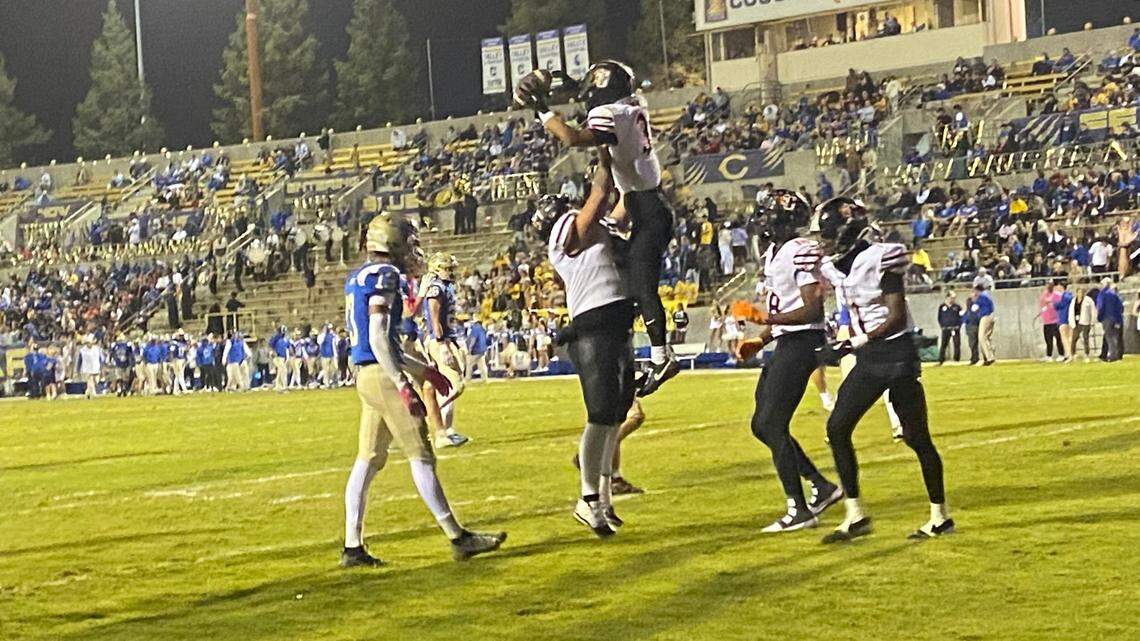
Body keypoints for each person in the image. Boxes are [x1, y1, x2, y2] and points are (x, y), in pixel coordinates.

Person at [340, 212, 505, 567]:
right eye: (409, 242)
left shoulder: (359, 276)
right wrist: (404, 382)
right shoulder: (386, 275)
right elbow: (379, 339)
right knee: (421, 456)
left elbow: (379, 345)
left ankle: (352, 546)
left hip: (367, 374)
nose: (414, 249)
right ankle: (458, 538)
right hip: (383, 375)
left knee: (368, 459)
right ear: (393, 243)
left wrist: (425, 371)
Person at [518, 61, 680, 396]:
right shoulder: (630, 108)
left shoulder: (612, 113)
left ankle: (662, 357)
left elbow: (572, 137)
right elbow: (615, 164)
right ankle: (642, 350)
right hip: (645, 206)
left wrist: (542, 109)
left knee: (640, 284)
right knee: (630, 281)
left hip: (648, 211)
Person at [816, 201, 953, 543]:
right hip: (869, 356)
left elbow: (894, 316)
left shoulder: (881, 257)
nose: (825, 243)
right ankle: (855, 514)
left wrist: (856, 340)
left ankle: (940, 516)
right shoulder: (837, 267)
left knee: (916, 437)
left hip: (895, 354)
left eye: (829, 236)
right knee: (837, 427)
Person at [534, 159, 635, 538]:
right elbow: (599, 200)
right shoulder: (565, 231)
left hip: (615, 322)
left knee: (614, 416)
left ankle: (604, 498)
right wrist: (607, 161)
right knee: (600, 414)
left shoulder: (593, 231)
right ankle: (587, 498)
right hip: (592, 327)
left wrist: (632, 173)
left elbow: (619, 208)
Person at [732, 191, 842, 533]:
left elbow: (812, 309)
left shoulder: (797, 249)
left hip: (803, 342)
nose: (762, 222)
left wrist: (766, 322)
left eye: (767, 215)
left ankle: (799, 507)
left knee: (772, 422)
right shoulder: (775, 253)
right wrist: (760, 339)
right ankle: (821, 486)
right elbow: (784, 309)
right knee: (761, 424)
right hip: (787, 341)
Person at [419, 252, 470, 449]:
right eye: (447, 269)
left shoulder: (445, 286)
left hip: (449, 338)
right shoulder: (436, 288)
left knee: (448, 384)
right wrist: (441, 343)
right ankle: (428, 417)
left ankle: (446, 430)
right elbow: (434, 317)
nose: (451, 272)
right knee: (455, 386)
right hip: (440, 341)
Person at [1097, 279, 1124, 362]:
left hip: (1106, 318)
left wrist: (1099, 317)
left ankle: (1113, 355)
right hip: (1115, 318)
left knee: (1110, 337)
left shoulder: (1103, 294)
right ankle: (1115, 354)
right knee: (1114, 337)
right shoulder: (1114, 295)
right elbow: (1120, 307)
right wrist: (1118, 320)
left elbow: (1101, 307)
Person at [1070, 287, 1096, 362]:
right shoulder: (1073, 301)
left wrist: (1092, 321)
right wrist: (1071, 322)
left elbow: (1093, 311)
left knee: (1085, 338)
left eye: (1082, 292)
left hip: (1085, 321)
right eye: (1079, 292)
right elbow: (1071, 312)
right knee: (1074, 338)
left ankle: (1086, 354)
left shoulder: (1088, 300)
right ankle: (1073, 354)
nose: (1080, 294)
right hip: (1076, 322)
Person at [937, 291, 962, 364]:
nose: (953, 299)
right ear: (947, 297)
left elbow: (961, 317)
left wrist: (959, 326)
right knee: (944, 344)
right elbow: (939, 317)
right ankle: (941, 359)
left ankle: (956, 359)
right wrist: (942, 326)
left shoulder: (957, 307)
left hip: (955, 328)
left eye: (954, 298)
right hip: (946, 328)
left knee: (957, 343)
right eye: (952, 298)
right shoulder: (942, 306)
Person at [975, 285, 997, 366]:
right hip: (992, 315)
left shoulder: (981, 296)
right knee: (987, 337)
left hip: (985, 316)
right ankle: (991, 355)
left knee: (982, 337)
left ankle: (988, 357)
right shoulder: (987, 295)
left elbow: (975, 307)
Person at [465, 319, 491, 384]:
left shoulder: (475, 328)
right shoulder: (482, 329)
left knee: (469, 365)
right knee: (482, 365)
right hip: (482, 350)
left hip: (475, 350)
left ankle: (468, 379)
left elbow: (473, 339)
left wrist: (470, 348)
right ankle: (485, 379)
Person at [169, 329, 190, 395]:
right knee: (180, 375)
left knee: (178, 376)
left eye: (182, 335)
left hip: (182, 359)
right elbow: (171, 352)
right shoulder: (174, 343)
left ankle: (175, 390)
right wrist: (172, 361)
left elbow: (186, 351)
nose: (181, 337)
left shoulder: (183, 343)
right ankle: (184, 389)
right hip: (177, 360)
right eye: (180, 335)